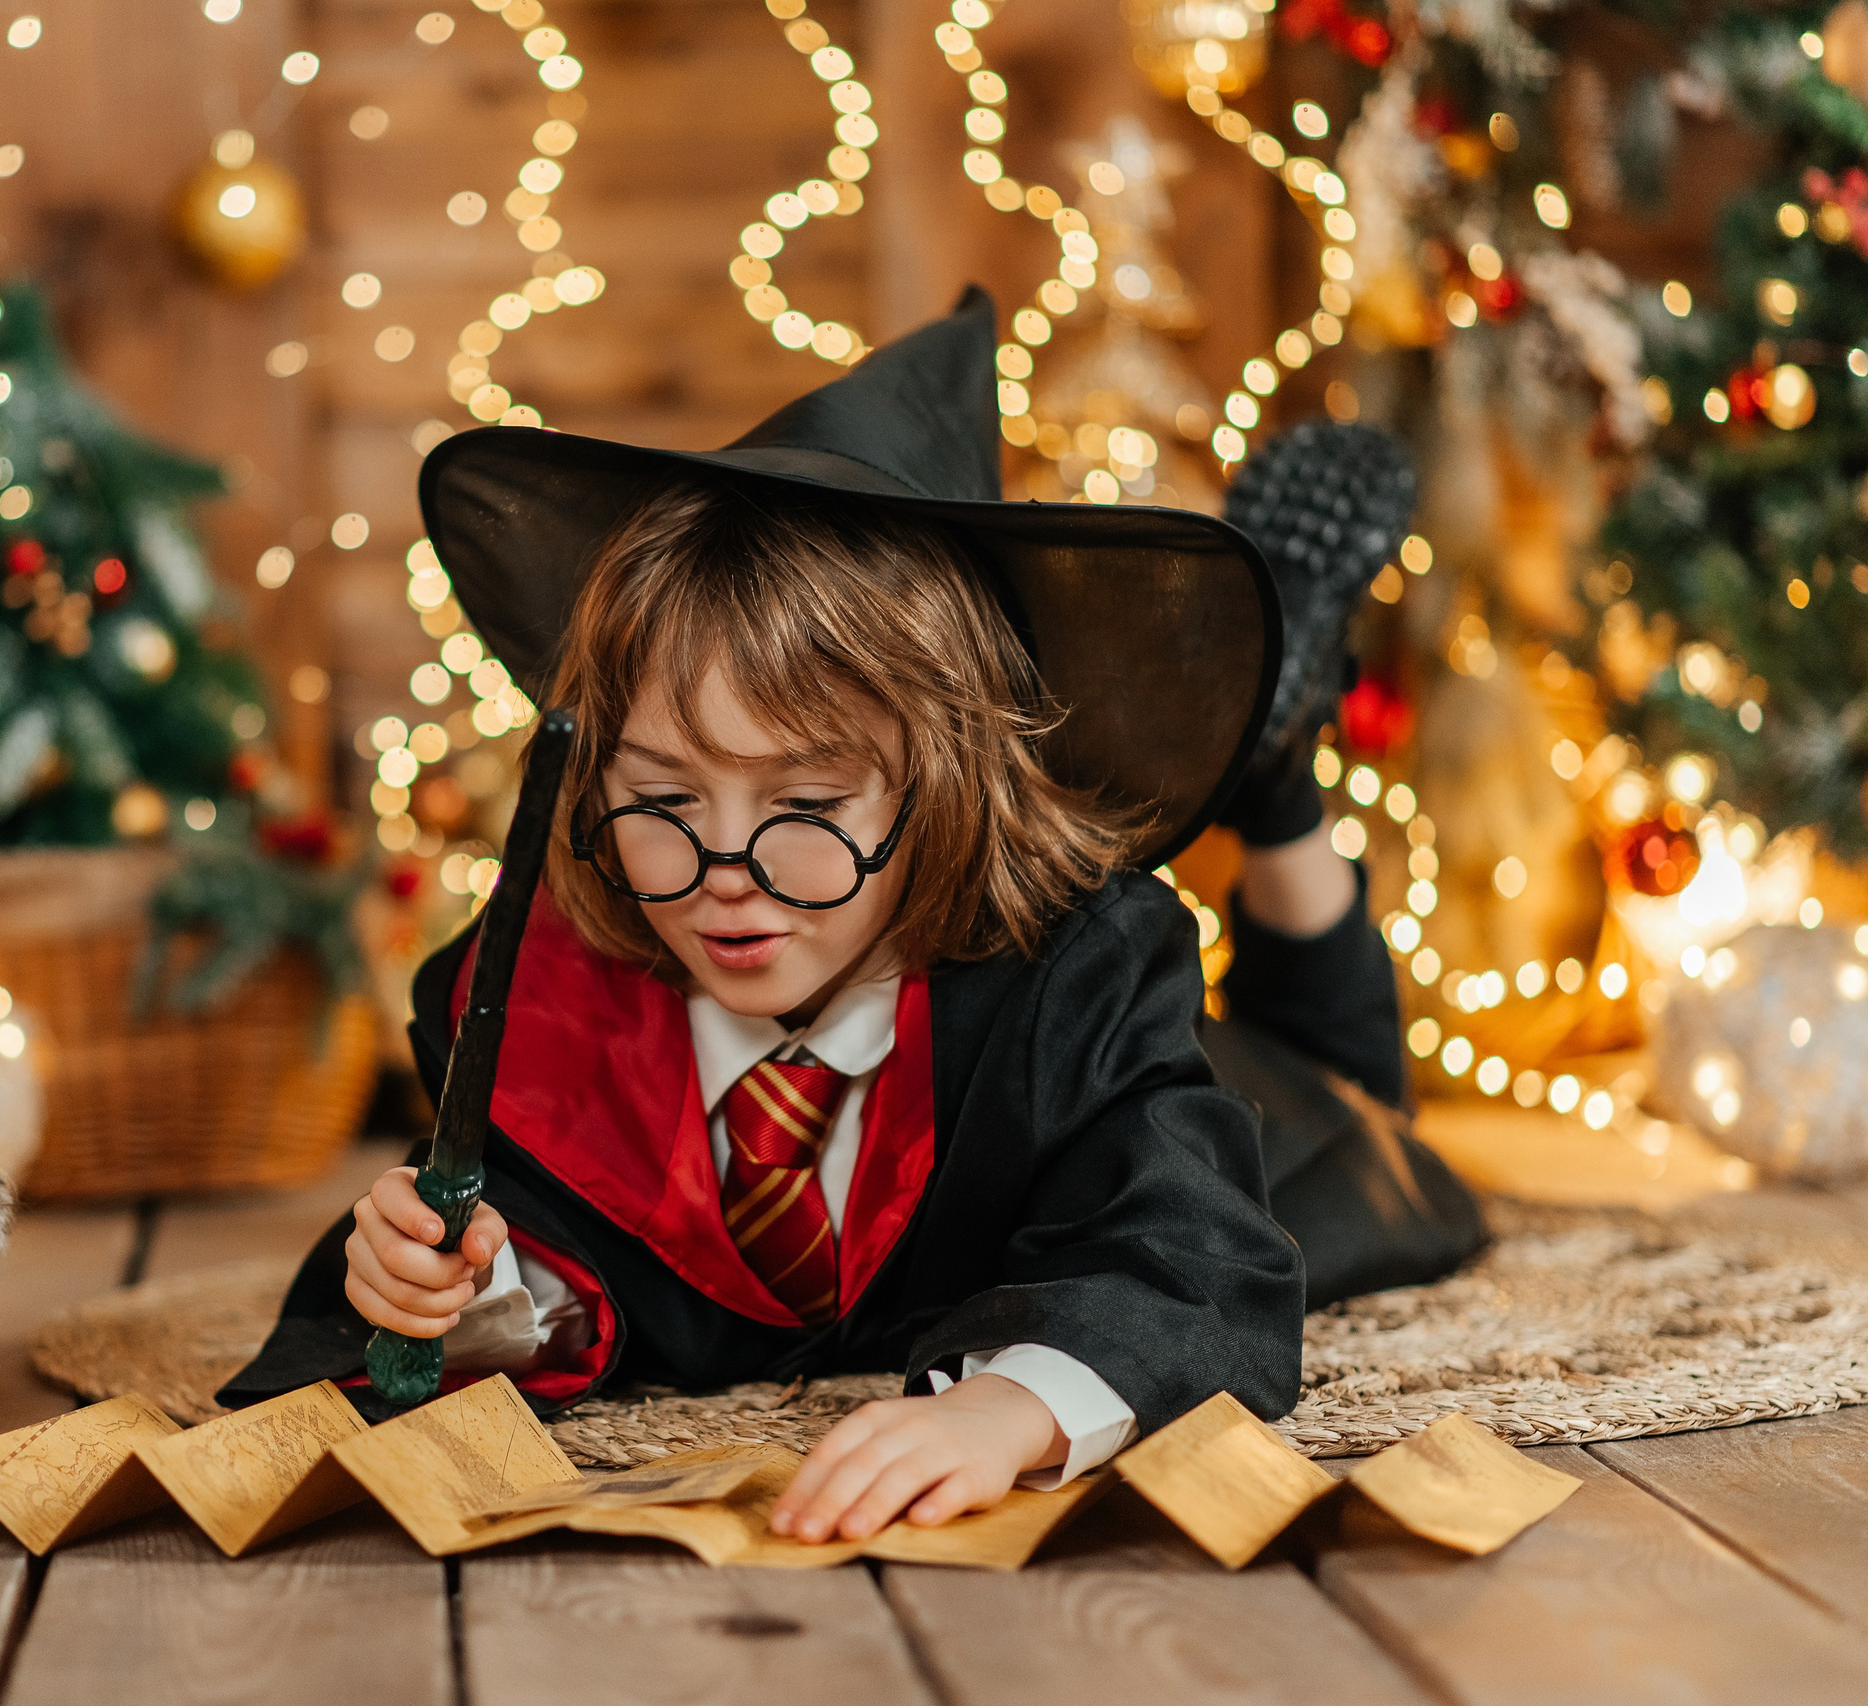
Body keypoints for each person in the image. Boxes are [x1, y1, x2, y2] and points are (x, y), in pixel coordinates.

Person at [222, 287, 1481, 1545]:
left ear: (939, 783)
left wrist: (1008, 1411)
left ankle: (1274, 791)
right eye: (664, 794)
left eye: (805, 800)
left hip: (1242, 1107)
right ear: (593, 770)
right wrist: (450, 1284)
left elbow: (1197, 1264)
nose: (726, 866)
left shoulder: (1086, 967)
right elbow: (550, 1249)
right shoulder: (521, 999)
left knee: (1343, 1106)